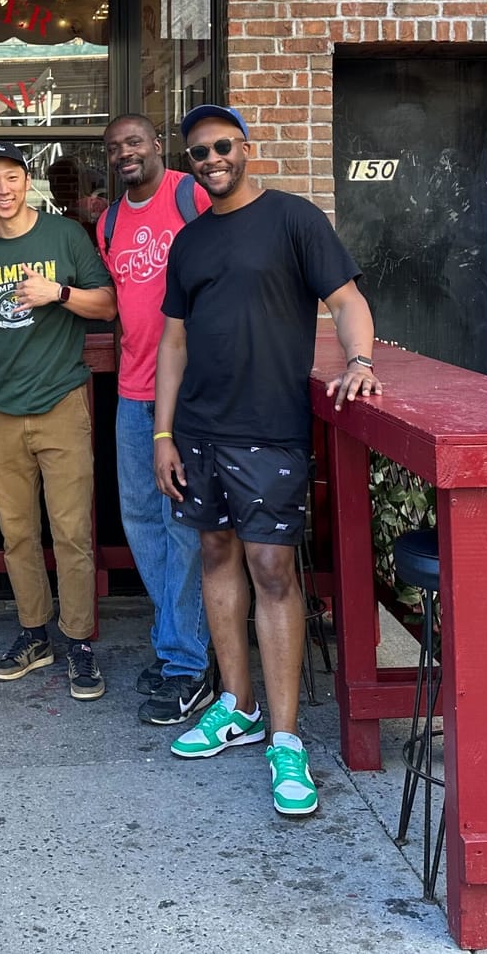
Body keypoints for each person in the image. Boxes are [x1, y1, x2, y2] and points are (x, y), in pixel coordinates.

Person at [154, 105, 381, 819]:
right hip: (199, 429)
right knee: (216, 555)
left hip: (270, 429)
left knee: (273, 570)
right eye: (198, 152)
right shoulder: (188, 243)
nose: (212, 158)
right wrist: (161, 437)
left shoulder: (293, 219)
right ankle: (238, 705)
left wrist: (362, 361)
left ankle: (286, 740)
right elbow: (173, 344)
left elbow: (346, 300)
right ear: (188, 164)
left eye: (223, 146)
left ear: (246, 149)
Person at [0, 142, 116, 700]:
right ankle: (34, 633)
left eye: (11, 177)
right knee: (17, 533)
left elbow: (108, 304)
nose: (2, 189)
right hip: (0, 409)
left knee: (72, 532)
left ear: (27, 182)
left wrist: (58, 292)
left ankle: (78, 640)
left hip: (61, 402)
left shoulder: (65, 236)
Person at [97, 115, 214, 728]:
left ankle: (186, 664)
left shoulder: (189, 194)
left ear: (156, 147)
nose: (125, 154)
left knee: (183, 528)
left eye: (134, 142)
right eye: (115, 147)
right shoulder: (109, 221)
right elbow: (122, 308)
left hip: (192, 397)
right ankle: (179, 641)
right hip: (133, 391)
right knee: (141, 518)